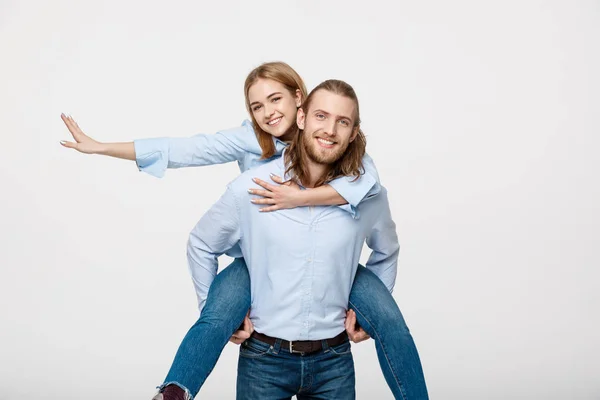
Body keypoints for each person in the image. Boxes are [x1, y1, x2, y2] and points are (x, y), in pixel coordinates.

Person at [60, 62, 428, 399]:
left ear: (298, 99)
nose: (269, 113)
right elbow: (188, 149)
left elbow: (370, 191)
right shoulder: (252, 144)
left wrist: (302, 198)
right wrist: (102, 147)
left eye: (275, 99)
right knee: (216, 318)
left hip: (332, 274)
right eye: (257, 106)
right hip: (257, 263)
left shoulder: (346, 151)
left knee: (391, 321)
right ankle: (175, 390)